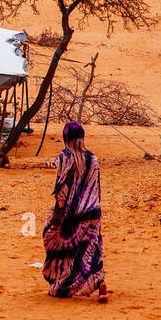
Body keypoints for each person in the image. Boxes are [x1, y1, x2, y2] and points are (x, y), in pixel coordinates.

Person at [42, 121, 108, 301]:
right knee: (91, 248)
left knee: (53, 239)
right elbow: (97, 186)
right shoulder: (92, 158)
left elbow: (62, 186)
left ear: (66, 137)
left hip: (73, 213)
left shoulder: (66, 157)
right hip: (93, 211)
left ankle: (62, 282)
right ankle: (99, 281)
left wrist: (58, 210)